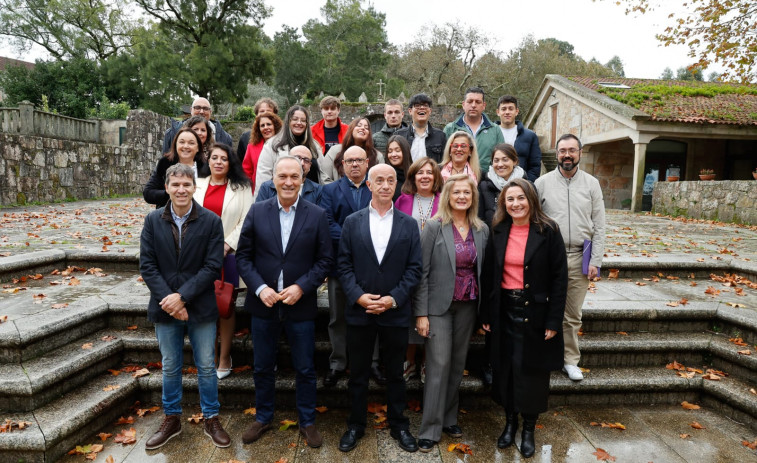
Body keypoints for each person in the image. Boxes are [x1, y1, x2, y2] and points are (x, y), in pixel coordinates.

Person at [235, 155, 334, 448]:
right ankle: (263, 417)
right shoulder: (257, 211)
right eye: (283, 177)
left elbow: (325, 259)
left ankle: (307, 421)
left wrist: (303, 287)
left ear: (302, 179)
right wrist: (259, 287)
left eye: (294, 176)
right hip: (263, 304)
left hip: (299, 305)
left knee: (304, 367)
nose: (289, 182)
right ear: (273, 180)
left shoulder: (316, 214)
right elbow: (243, 257)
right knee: (263, 365)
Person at [140, 163, 231, 450]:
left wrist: (183, 297)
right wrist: (170, 300)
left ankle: (211, 417)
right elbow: (148, 265)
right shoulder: (152, 221)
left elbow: (213, 266)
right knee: (170, 366)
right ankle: (172, 418)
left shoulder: (211, 221)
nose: (181, 189)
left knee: (205, 365)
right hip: (164, 306)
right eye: (175, 184)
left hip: (200, 306)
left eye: (186, 184)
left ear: (195, 187)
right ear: (166, 187)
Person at [336, 164, 422, 454]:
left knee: (396, 374)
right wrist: (359, 297)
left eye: (391, 180)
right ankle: (356, 424)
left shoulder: (409, 224)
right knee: (358, 372)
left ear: (397, 185)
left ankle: (399, 424)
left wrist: (393, 299)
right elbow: (343, 265)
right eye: (379, 181)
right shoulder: (352, 222)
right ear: (369, 185)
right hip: (360, 312)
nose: (385, 185)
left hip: (395, 312)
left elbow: (414, 269)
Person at [481, 178, 567, 458]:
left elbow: (559, 279)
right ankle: (509, 423)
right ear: (503, 204)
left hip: (537, 314)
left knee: (532, 372)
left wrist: (554, 321)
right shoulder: (497, 230)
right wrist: (486, 313)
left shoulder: (549, 231)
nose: (516, 204)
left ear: (531, 200)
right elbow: (488, 276)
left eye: (521, 198)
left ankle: (528, 428)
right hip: (504, 310)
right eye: (510, 199)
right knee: (505, 369)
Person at [414, 174, 488, 452]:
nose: (461, 197)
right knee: (438, 365)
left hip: (468, 305)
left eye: (466, 193)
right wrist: (421, 313)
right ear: (448, 196)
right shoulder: (434, 226)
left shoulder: (481, 229)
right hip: (438, 307)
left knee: (457, 366)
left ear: (473, 198)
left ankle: (448, 418)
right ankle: (429, 428)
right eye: (456, 192)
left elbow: (484, 272)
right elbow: (421, 272)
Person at [534, 134, 605, 382]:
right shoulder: (541, 183)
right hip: (549, 257)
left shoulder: (591, 184)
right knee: (543, 308)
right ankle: (543, 356)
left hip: (579, 256)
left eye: (572, 150)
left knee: (572, 314)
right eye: (563, 150)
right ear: (556, 153)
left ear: (580, 153)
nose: (567, 155)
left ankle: (570, 360)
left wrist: (596, 260)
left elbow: (600, 224)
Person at [317, 146, 383, 387]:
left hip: (371, 266)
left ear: (367, 163)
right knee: (338, 317)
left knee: (371, 314)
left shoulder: (376, 188)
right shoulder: (330, 190)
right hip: (339, 265)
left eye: (359, 160)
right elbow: (326, 222)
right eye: (350, 161)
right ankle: (337, 362)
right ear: (342, 165)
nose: (354, 165)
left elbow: (381, 220)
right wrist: (356, 235)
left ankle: (372, 361)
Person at [193, 143, 253, 380]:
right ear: (208, 161)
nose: (218, 162)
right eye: (214, 158)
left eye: (224, 159)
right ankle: (209, 356)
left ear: (231, 163)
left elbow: (246, 220)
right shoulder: (197, 185)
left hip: (228, 254)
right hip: (198, 254)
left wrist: (227, 244)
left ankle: (225, 356)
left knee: (225, 306)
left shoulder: (242, 187)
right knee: (204, 307)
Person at [394, 156, 443, 381]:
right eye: (420, 173)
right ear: (413, 177)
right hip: (408, 266)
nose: (424, 176)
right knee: (410, 313)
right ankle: (409, 360)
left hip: (437, 267)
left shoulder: (444, 200)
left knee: (430, 314)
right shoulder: (403, 201)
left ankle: (425, 362)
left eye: (429, 173)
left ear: (435, 178)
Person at [254, 105, 322, 197]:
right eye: (295, 119)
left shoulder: (315, 146)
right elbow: (263, 177)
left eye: (303, 120)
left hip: (312, 199)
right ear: (288, 121)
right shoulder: (272, 145)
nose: (299, 123)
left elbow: (323, 174)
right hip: (281, 200)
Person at [443, 87, 504, 174]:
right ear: (463, 105)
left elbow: (501, 157)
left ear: (484, 106)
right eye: (470, 101)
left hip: (487, 181)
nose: (473, 105)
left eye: (478, 102)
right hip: (458, 181)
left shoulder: (495, 129)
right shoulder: (450, 129)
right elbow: (445, 157)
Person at [144, 127, 206, 208]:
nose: (186, 146)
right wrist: (171, 193)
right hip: (169, 214)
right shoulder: (165, 163)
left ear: (198, 148)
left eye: (191, 143)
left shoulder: (207, 167)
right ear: (175, 145)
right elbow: (148, 193)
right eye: (182, 142)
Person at [319, 117, 385, 184]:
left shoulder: (377, 156)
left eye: (366, 128)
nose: (362, 128)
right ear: (351, 129)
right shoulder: (334, 151)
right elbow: (324, 177)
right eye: (359, 125)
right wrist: (338, 193)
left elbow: (381, 180)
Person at [495, 95, 542, 182]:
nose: (507, 112)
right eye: (504, 109)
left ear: (516, 111)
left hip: (521, 186)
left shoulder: (530, 136)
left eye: (511, 108)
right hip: (494, 187)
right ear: (498, 112)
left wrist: (527, 184)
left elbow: (535, 166)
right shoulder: (490, 134)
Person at [163, 97, 232, 154]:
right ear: (191, 110)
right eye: (197, 108)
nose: (201, 112)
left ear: (210, 112)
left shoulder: (225, 138)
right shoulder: (171, 133)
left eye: (205, 109)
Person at [256, 145, 322, 205]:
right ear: (287, 159)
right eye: (297, 158)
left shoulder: (318, 191)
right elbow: (259, 214)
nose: (302, 163)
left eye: (306, 160)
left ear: (310, 166)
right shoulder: (267, 187)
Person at [479, 144, 527, 226]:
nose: (500, 164)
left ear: (514, 161)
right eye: (496, 160)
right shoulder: (483, 187)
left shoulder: (527, 186)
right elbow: (480, 219)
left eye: (505, 160)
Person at [395, 93, 447, 163]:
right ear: (410, 111)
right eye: (417, 105)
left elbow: (444, 162)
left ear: (430, 111)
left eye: (425, 105)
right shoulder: (399, 135)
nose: (422, 108)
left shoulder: (440, 136)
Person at [241, 112, 284, 191]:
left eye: (269, 124)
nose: (266, 127)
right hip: (258, 189)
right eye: (262, 125)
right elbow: (247, 170)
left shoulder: (284, 145)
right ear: (259, 129)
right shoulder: (251, 146)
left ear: (275, 125)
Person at [237, 98, 279, 162]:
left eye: (268, 111)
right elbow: (240, 164)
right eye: (262, 111)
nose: (265, 114)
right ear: (256, 115)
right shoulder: (246, 138)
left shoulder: (283, 136)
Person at [385, 135, 412, 201]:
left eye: (397, 150)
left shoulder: (414, 175)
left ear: (405, 151)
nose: (393, 154)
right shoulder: (384, 175)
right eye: (390, 151)